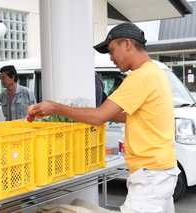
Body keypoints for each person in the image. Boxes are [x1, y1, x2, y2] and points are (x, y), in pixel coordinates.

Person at [28, 23, 180, 213]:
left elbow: (100, 117)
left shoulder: (139, 77)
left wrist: (56, 108)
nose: (111, 58)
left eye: (111, 50)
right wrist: (87, 112)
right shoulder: (156, 72)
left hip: (150, 174)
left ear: (127, 44)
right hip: (163, 169)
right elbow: (134, 116)